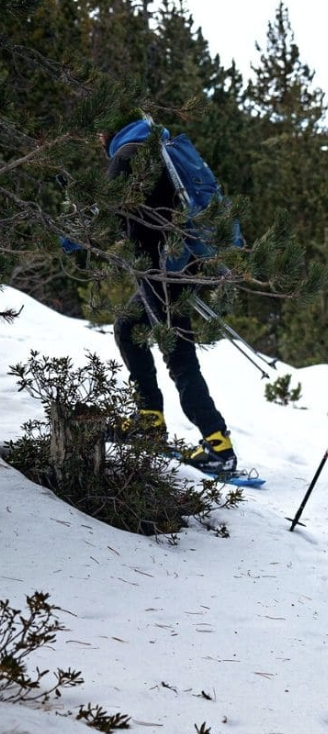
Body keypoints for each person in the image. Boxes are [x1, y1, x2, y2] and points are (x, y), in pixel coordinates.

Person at [103, 118, 237, 474]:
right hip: (181, 265)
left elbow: (103, 213)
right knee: (128, 326)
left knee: (179, 357)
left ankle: (218, 445)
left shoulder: (127, 155)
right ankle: (150, 421)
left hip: (161, 272)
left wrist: (66, 240)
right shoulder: (160, 151)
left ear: (106, 131)